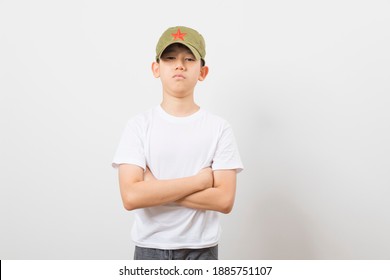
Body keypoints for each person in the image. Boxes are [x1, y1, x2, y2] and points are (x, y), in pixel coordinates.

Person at [112, 26, 243, 260]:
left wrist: (154, 188)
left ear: (202, 72)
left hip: (201, 250)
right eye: (170, 58)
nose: (179, 65)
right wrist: (199, 181)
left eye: (189, 59)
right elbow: (131, 197)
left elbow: (223, 200)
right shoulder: (138, 126)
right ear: (156, 68)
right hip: (149, 249)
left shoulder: (218, 128)